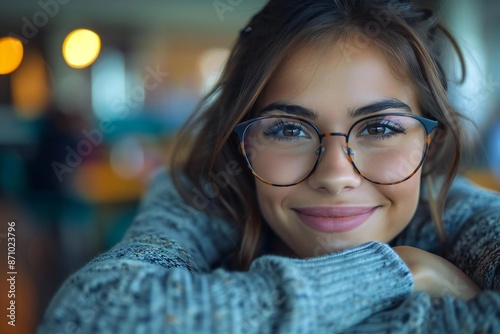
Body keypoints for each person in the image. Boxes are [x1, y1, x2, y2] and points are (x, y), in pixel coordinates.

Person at [38, 0, 500, 333]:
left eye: (380, 129)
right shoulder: (205, 198)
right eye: (288, 130)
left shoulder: (451, 205)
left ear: (429, 142)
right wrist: (389, 271)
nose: (337, 176)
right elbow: (86, 318)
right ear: (242, 146)